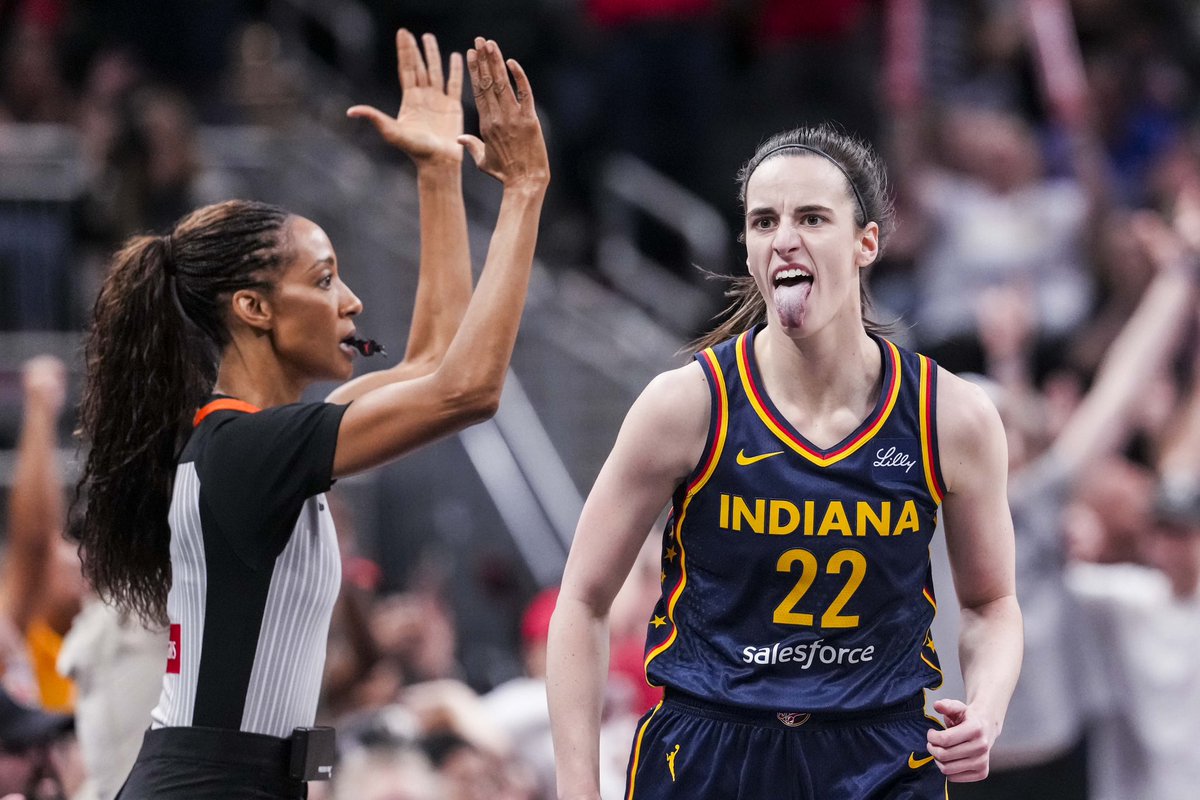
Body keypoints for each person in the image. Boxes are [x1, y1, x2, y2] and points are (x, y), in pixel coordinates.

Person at [71, 29, 548, 800]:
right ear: (254, 308)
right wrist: (523, 194)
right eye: (325, 280)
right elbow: (468, 389)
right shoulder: (244, 449)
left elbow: (433, 363)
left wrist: (437, 172)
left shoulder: (260, 442)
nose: (352, 301)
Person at [547, 124, 1022, 799]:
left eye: (812, 218)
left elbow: (992, 603)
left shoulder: (952, 415)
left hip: (880, 752)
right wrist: (577, 789)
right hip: (713, 749)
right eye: (763, 221)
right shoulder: (687, 405)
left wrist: (987, 706)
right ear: (748, 249)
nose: (785, 238)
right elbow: (583, 601)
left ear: (866, 244)